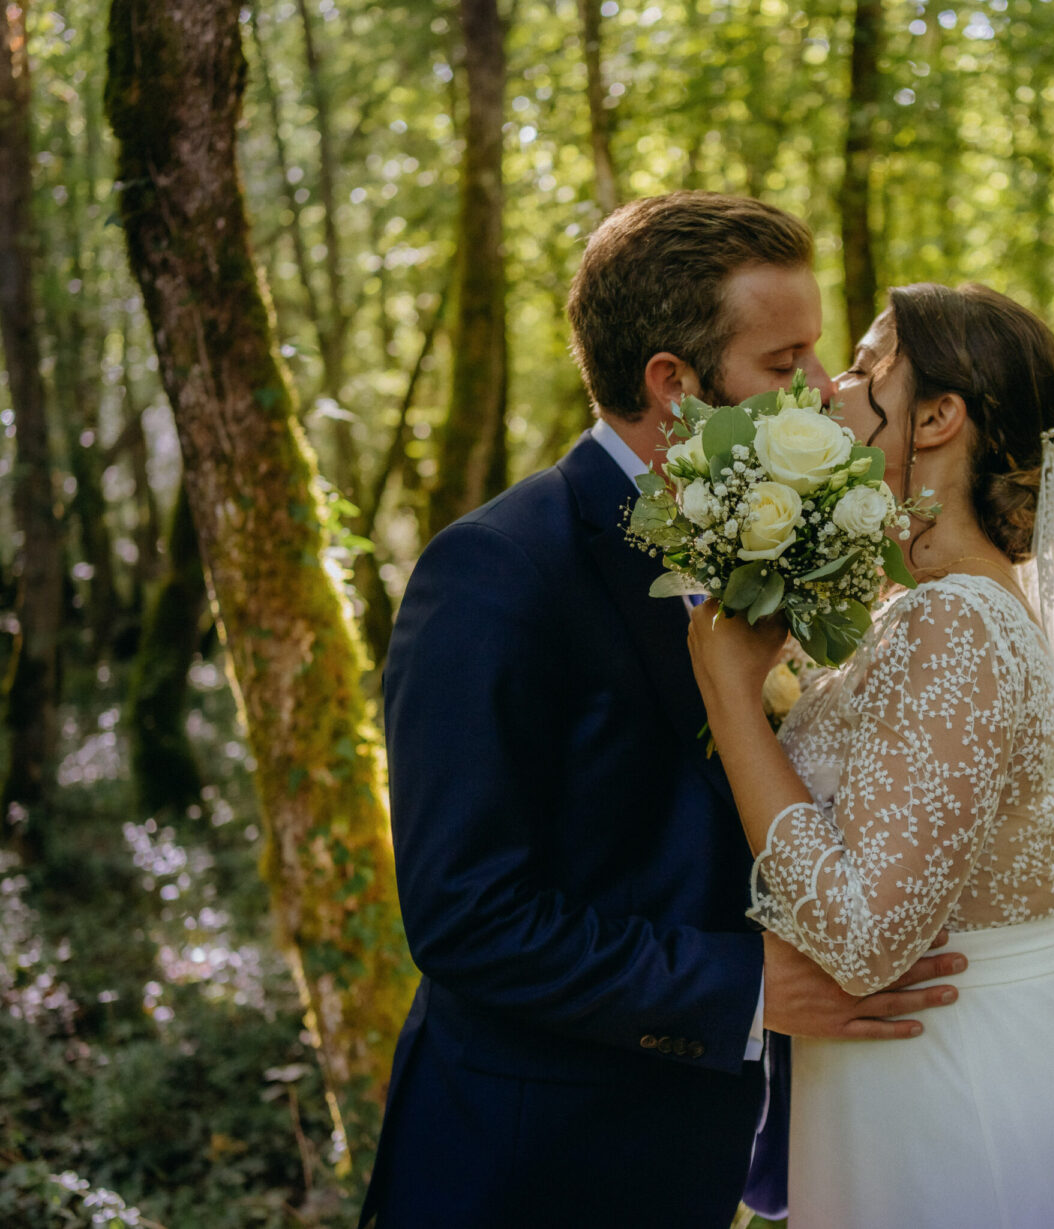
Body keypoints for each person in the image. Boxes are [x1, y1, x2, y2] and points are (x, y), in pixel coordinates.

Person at [358, 194, 965, 1229]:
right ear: (674, 384)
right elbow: (467, 914)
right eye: (784, 364)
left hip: (691, 1158)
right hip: (524, 1166)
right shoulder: (498, 571)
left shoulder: (774, 542)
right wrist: (745, 990)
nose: (822, 390)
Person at [687, 282, 1054, 1227]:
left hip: (963, 1093)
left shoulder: (954, 624)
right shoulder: (923, 613)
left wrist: (730, 697)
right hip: (913, 1075)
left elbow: (860, 938)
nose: (830, 389)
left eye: (862, 368)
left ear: (936, 416)